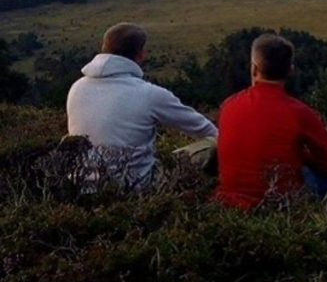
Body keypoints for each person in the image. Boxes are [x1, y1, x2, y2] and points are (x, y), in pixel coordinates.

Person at [66, 22, 218, 190]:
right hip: (136, 186)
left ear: (104, 48)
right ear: (141, 54)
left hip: (82, 185)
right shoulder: (150, 94)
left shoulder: (77, 87)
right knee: (214, 145)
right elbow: (205, 129)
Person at [216, 33, 327, 210]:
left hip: (229, 202)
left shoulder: (228, 105)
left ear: (254, 69)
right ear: (290, 69)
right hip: (284, 204)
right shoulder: (300, 112)